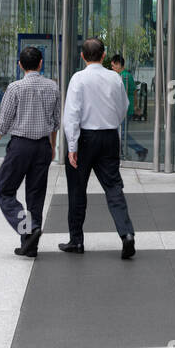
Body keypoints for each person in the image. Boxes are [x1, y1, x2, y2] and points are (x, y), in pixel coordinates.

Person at [61, 38, 136, 259]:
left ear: (82, 56)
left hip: (85, 138)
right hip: (109, 136)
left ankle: (76, 240)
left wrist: (72, 145)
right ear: (104, 56)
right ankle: (127, 234)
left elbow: (71, 115)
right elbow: (123, 108)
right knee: (113, 187)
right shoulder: (115, 78)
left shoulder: (78, 79)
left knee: (77, 189)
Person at [0, 46, 61, 258]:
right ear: (41, 63)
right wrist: (52, 147)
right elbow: (56, 122)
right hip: (43, 146)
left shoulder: (15, 88)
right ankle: (30, 243)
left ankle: (27, 229)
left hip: (20, 146)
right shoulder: (53, 87)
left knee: (5, 191)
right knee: (35, 196)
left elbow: (4, 121)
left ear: (20, 65)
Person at [109, 53, 149, 161]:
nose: (112, 69)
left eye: (113, 66)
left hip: (124, 109)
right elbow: (134, 91)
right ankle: (120, 151)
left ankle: (140, 149)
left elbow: (123, 93)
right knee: (120, 132)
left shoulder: (123, 76)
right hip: (126, 108)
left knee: (122, 133)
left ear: (118, 64)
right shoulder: (126, 75)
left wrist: (135, 106)